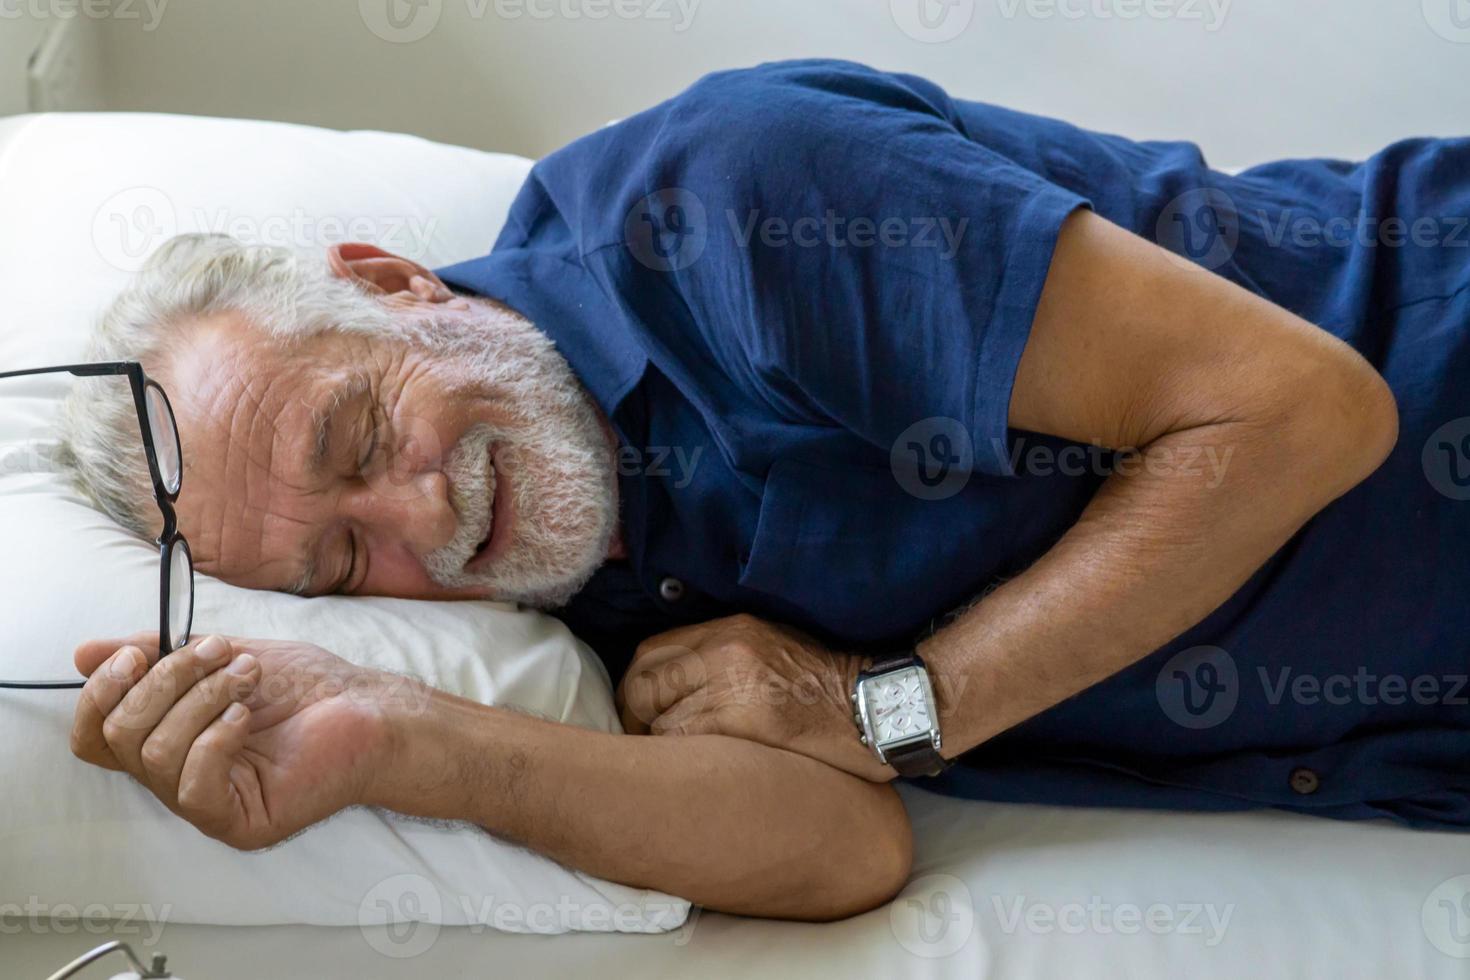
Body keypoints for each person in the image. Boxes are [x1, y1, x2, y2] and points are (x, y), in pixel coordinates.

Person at [60, 60, 1468, 920]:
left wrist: (886, 706)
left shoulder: (726, 204)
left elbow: (1297, 415)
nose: (423, 522)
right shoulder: (558, 579)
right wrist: (398, 741)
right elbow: (839, 848)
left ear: (388, 284)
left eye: (358, 439)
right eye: (343, 567)